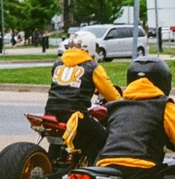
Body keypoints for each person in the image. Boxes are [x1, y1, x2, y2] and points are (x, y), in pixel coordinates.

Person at [45, 31, 121, 161]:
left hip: (50, 112)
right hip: (75, 114)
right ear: (89, 47)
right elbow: (112, 95)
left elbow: (65, 85)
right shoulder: (93, 67)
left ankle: (51, 163)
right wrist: (122, 102)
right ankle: (91, 173)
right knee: (105, 139)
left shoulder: (57, 64)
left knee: (59, 137)